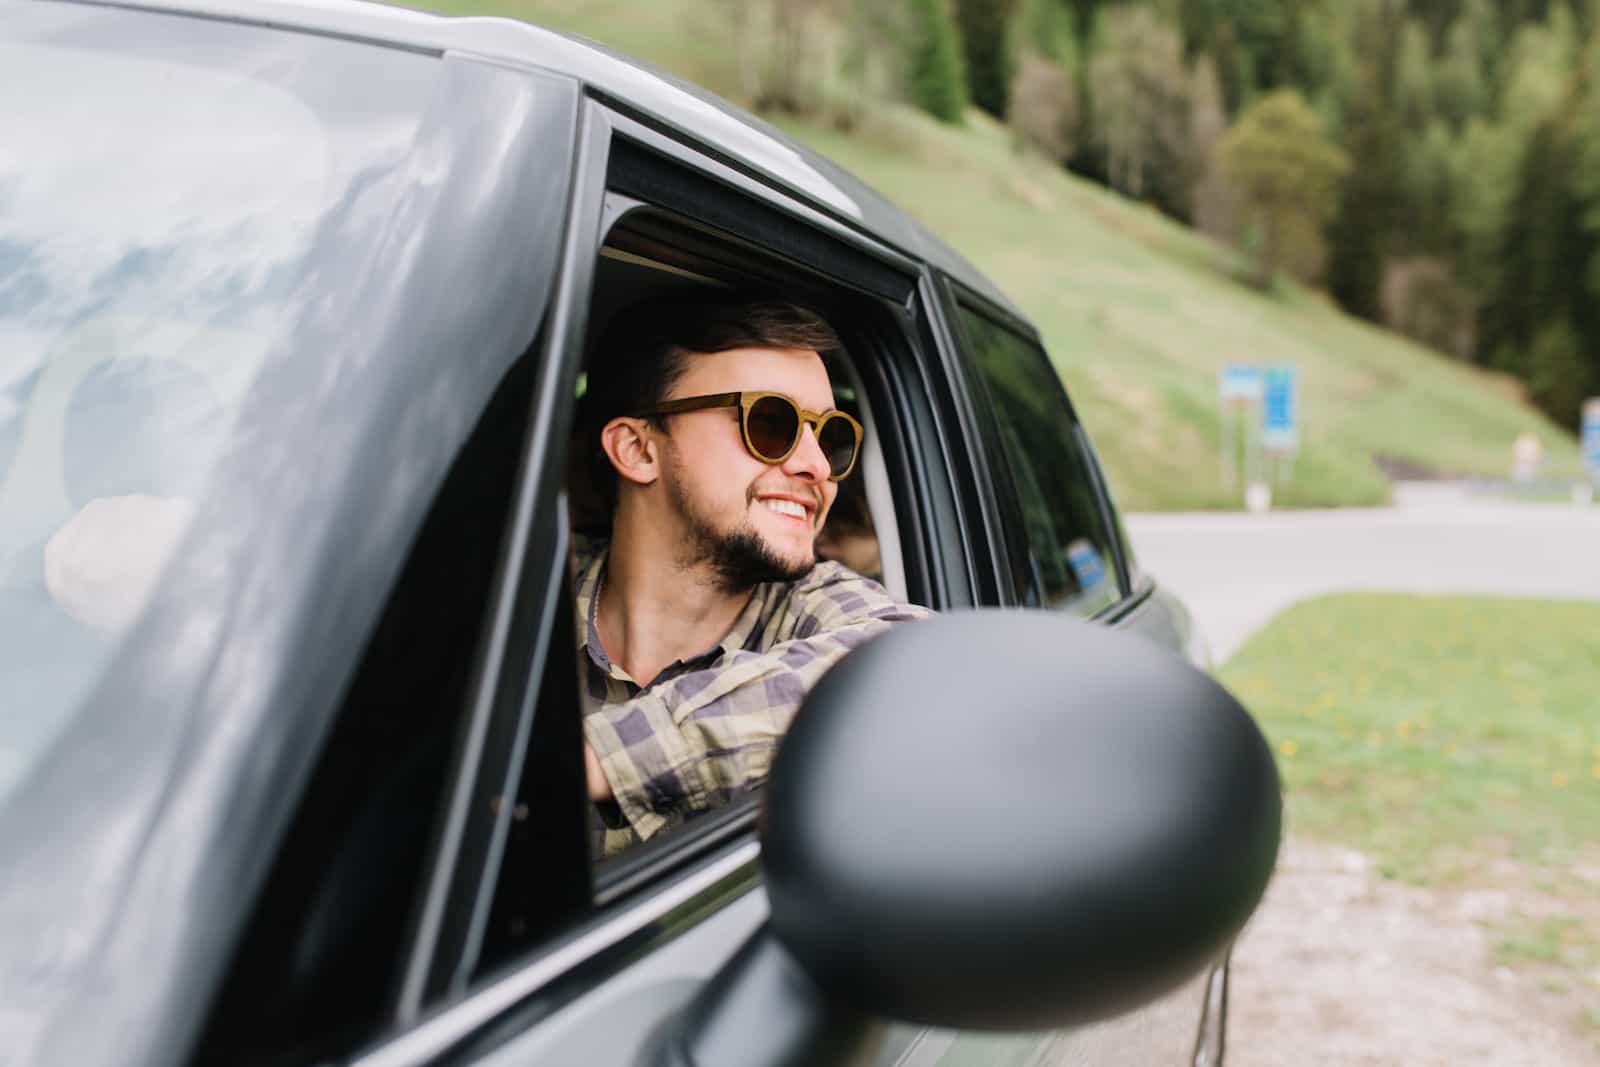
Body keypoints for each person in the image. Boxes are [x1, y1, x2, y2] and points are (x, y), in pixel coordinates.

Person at [575, 295, 931, 857]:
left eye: (830, 436)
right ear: (637, 449)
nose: (818, 466)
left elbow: (924, 666)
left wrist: (597, 758)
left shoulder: (819, 611)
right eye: (770, 422)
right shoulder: (514, 596)